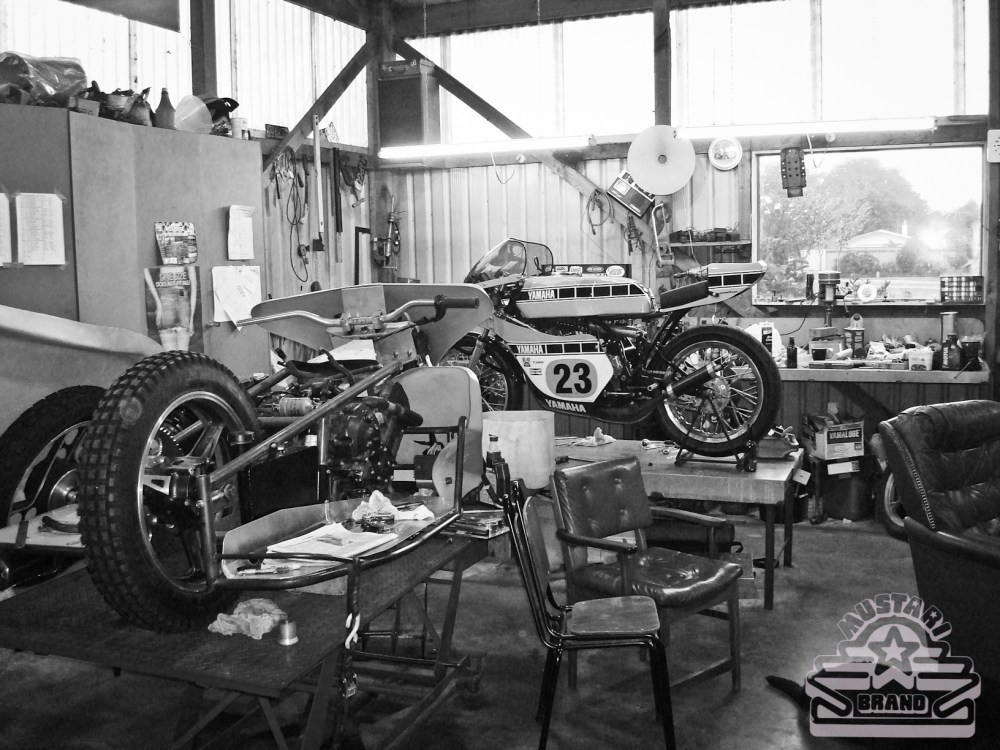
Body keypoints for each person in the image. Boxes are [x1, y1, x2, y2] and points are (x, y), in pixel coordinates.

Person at [144, 266, 197, 350]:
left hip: (171, 298)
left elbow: (145, 271)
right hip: (176, 297)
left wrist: (158, 303)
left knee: (173, 353)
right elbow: (194, 286)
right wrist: (191, 320)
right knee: (180, 354)